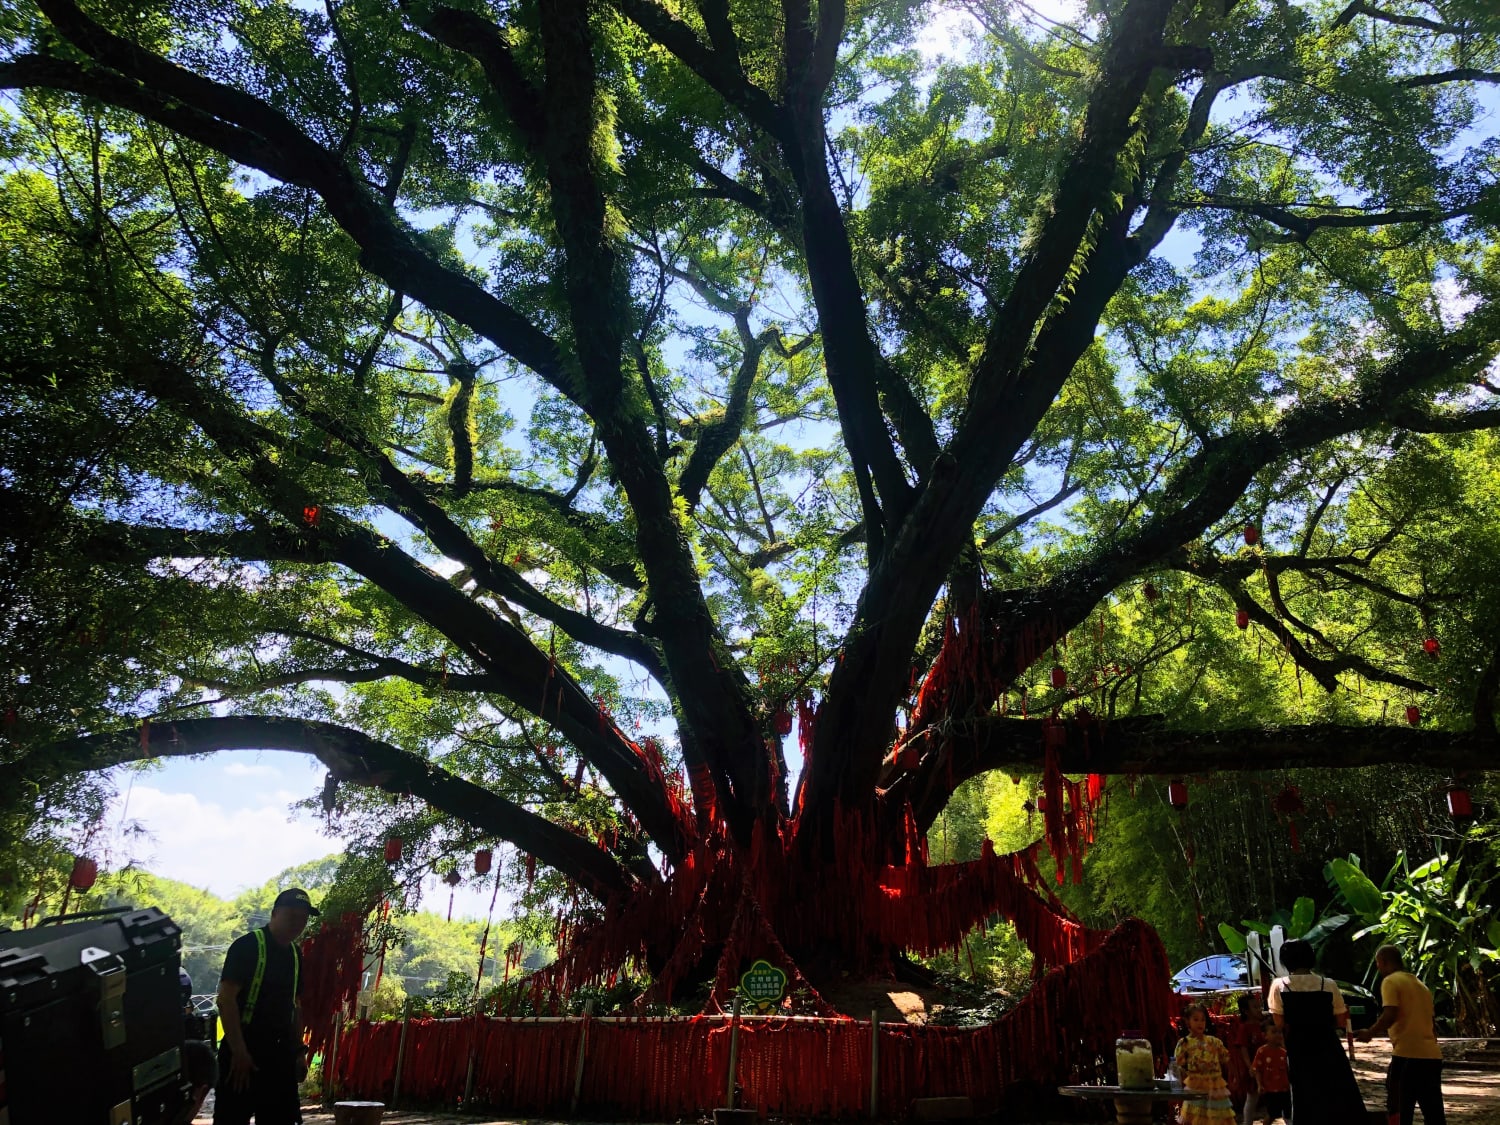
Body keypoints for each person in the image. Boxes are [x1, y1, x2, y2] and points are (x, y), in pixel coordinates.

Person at [215, 888, 319, 1125]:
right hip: (243, 1049)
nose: (298, 923)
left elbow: (295, 1005)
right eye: (292, 916)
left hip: (280, 1054)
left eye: (303, 918)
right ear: (274, 914)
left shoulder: (295, 954)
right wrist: (240, 1052)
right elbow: (225, 999)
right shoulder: (247, 947)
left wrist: (299, 1052)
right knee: (231, 1119)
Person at [1267, 938, 1367, 1123]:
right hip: (1328, 1046)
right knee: (1336, 1094)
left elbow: (1279, 1023)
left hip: (1299, 1048)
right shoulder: (1328, 984)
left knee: (1303, 1095)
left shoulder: (1280, 986)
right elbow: (1340, 1020)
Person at [1355, 945, 1446, 1125]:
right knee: (1433, 1110)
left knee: (1398, 1107)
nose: (1378, 968)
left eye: (1378, 964)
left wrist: (1370, 1032)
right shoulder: (1420, 985)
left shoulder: (1390, 981)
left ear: (1383, 962)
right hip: (1432, 1056)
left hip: (1407, 1055)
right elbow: (1431, 1022)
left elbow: (1390, 1013)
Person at [1172, 1002, 1236, 1125]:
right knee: (1197, 1118)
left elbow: (1226, 1059)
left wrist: (1234, 1077)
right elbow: (1177, 1066)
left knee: (1218, 1118)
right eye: (1196, 1019)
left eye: (1203, 1020)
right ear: (1187, 1022)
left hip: (1216, 1087)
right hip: (1195, 1086)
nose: (1200, 1023)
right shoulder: (1184, 1043)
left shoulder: (1214, 1042)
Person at [1228, 992, 1266, 1124]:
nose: (1259, 1009)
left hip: (1266, 1066)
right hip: (1254, 1069)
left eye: (1259, 1006)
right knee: (1252, 1097)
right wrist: (1250, 1066)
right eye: (1255, 1007)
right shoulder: (1244, 1028)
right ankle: (1247, 1122)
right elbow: (1243, 1048)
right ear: (1246, 1011)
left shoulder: (1263, 1026)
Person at [1251, 1019, 1290, 1124]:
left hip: (1285, 1088)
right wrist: (1259, 1084)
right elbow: (1257, 1069)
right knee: (1272, 1113)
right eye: (1273, 1032)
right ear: (1265, 1035)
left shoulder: (1284, 1052)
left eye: (1279, 1032)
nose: (1277, 1035)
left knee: (1288, 1112)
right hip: (1270, 1090)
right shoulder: (1262, 1051)